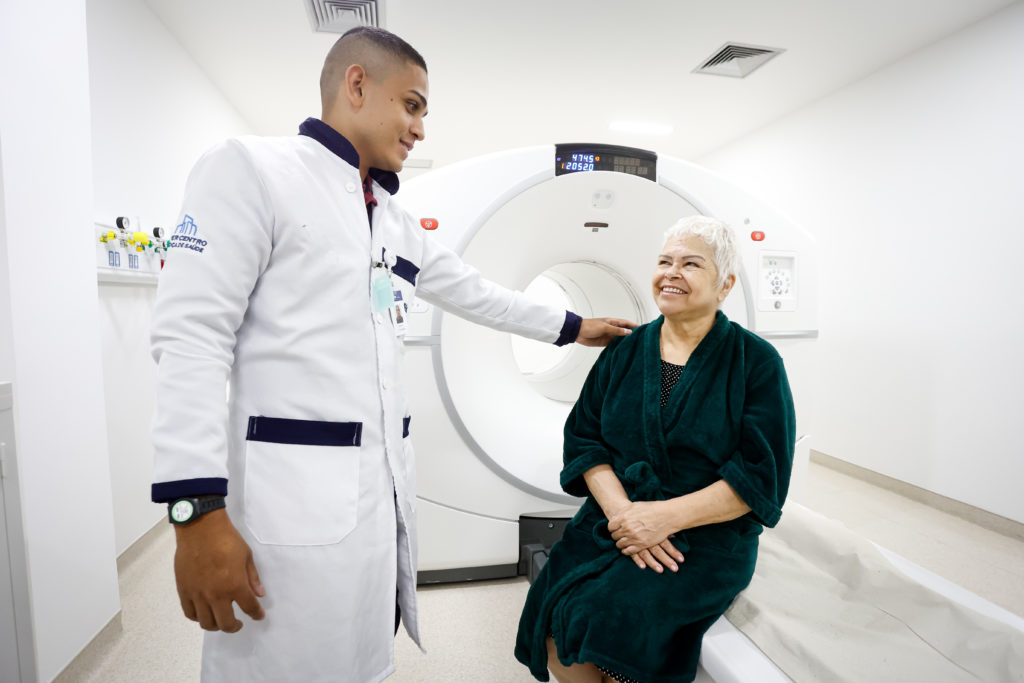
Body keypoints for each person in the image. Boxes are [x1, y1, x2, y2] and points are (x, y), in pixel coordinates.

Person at [149, 26, 634, 683]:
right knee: (277, 663)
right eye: (411, 105)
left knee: (360, 657)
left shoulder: (391, 217)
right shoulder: (254, 170)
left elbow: (476, 293)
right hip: (286, 501)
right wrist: (194, 511)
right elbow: (190, 338)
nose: (420, 128)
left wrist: (575, 326)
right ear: (356, 85)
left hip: (377, 496)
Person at [515, 216, 796, 683]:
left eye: (691, 264)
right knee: (555, 609)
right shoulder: (624, 350)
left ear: (725, 285)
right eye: (665, 261)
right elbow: (585, 439)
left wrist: (664, 519)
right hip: (614, 518)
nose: (671, 273)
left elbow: (760, 476)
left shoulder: (756, 362)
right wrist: (625, 515)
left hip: (704, 534)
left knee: (618, 617)